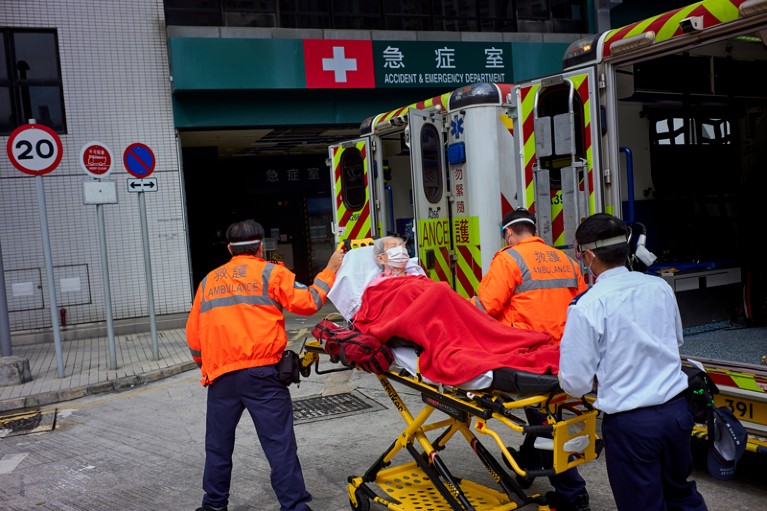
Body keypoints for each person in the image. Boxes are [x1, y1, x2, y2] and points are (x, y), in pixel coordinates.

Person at [186, 219, 345, 511]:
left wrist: (209, 368)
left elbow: (194, 338)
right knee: (279, 445)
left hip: (221, 378)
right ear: (261, 248)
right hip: (263, 374)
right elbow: (310, 301)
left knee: (218, 447)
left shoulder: (208, 281)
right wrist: (331, 269)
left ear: (229, 249)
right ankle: (295, 506)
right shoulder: (272, 273)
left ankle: (213, 506)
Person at [558, 213, 708, 511]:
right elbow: (675, 341)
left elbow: (575, 383)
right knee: (680, 494)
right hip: (677, 415)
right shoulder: (660, 287)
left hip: (632, 426)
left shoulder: (588, 305)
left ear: (588, 256)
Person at [471, 207, 590, 511]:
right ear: (534, 230)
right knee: (541, 413)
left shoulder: (509, 258)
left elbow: (486, 307)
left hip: (528, 356)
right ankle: (526, 460)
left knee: (542, 420)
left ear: (508, 233)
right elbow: (582, 302)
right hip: (564, 352)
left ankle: (573, 493)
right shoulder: (564, 259)